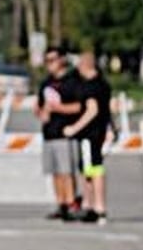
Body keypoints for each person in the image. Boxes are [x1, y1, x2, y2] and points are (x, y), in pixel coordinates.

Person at [63, 52, 113, 224]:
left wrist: (73, 128)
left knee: (90, 169)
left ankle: (94, 205)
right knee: (92, 168)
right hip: (98, 132)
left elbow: (92, 110)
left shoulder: (90, 86)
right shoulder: (103, 84)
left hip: (89, 134)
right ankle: (92, 204)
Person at [36, 47, 85, 221]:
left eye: (53, 60)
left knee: (66, 171)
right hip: (49, 133)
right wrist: (42, 113)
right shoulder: (46, 83)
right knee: (55, 172)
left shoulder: (72, 81)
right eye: (47, 61)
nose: (50, 64)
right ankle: (61, 203)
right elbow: (39, 106)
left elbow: (79, 106)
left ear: (61, 60)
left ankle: (72, 203)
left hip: (66, 132)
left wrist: (58, 108)